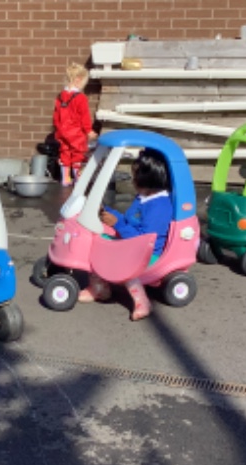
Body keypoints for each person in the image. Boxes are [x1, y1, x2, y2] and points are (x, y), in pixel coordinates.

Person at [78, 149, 172, 321]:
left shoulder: (160, 206)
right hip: (132, 244)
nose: (133, 180)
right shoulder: (143, 197)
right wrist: (107, 212)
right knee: (96, 241)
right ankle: (99, 288)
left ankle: (142, 302)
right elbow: (129, 221)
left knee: (123, 263)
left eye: (136, 177)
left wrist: (117, 223)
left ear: (149, 178)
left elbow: (144, 239)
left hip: (148, 253)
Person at [53, 63, 98, 186]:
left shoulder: (60, 96)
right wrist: (88, 130)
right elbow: (84, 116)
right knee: (79, 153)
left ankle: (65, 179)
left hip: (62, 131)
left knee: (65, 152)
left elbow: (56, 116)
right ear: (78, 80)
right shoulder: (80, 97)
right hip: (76, 132)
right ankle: (78, 179)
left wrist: (58, 128)